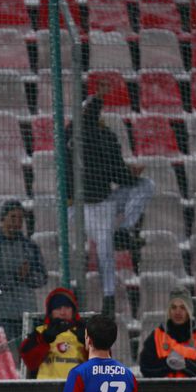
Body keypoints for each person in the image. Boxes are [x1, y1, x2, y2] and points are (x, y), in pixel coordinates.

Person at [71, 94, 154, 317]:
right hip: (79, 206)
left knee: (146, 185)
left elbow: (116, 170)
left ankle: (125, 230)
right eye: (90, 111)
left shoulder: (106, 135)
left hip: (105, 200)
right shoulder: (73, 134)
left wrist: (130, 174)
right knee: (104, 247)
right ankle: (107, 296)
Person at [0, 200, 46, 351]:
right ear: (3, 218)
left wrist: (28, 276)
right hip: (1, 313)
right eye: (13, 217)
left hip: (26, 312)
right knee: (4, 357)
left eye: (20, 219)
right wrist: (17, 277)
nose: (17, 222)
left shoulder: (30, 247)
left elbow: (42, 277)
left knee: (28, 358)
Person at [139, 288, 196, 378]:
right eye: (174, 307)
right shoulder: (157, 336)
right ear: (169, 311)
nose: (177, 312)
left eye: (183, 307)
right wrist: (168, 365)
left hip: (194, 390)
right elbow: (145, 369)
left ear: (189, 311)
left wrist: (186, 365)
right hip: (162, 390)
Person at [19, 288, 86, 381]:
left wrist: (88, 343)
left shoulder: (84, 332)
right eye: (58, 308)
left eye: (67, 307)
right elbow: (29, 361)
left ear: (73, 310)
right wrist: (43, 340)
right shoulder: (40, 332)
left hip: (78, 387)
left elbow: (100, 364)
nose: (63, 312)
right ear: (50, 312)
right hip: (46, 388)